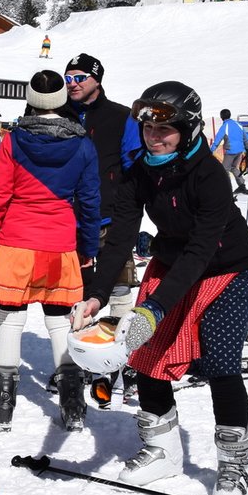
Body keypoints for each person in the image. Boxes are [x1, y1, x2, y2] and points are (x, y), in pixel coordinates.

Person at [78, 81, 248, 495]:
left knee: (220, 361)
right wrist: (97, 294)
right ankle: (162, 450)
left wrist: (155, 307)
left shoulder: (210, 176)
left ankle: (233, 462)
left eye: (165, 129)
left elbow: (202, 248)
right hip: (173, 265)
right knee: (146, 355)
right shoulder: (140, 170)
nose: (154, 137)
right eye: (147, 129)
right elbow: (121, 237)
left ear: (189, 129)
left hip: (228, 269)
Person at [0, 70, 100, 433]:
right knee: (59, 319)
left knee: (11, 319)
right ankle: (72, 402)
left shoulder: (13, 141)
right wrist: (88, 247)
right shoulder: (83, 144)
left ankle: (2, 402)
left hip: (16, 241)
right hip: (60, 244)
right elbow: (90, 201)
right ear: (62, 98)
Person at [60, 52, 143, 414]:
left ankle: (123, 362)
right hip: (70, 219)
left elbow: (134, 165)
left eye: (79, 78)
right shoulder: (61, 114)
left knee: (120, 288)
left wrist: (128, 206)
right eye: (68, 78)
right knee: (79, 294)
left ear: (97, 79)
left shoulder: (121, 116)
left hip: (110, 216)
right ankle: (85, 361)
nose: (73, 84)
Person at [209, 109, 248, 194]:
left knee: (224, 170)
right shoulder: (238, 124)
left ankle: (227, 188)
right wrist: (247, 148)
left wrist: (210, 151)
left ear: (221, 117)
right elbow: (245, 137)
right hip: (239, 151)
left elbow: (217, 140)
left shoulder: (225, 126)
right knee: (234, 168)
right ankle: (242, 186)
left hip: (231, 151)